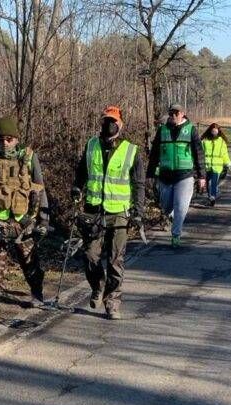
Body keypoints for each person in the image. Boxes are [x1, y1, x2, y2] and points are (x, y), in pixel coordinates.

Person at [71, 105, 145, 320]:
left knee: (115, 260)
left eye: (113, 121)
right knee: (89, 256)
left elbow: (139, 184)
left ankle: (112, 301)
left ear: (120, 124)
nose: (108, 124)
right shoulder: (91, 145)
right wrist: (77, 187)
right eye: (105, 120)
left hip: (119, 213)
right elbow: (81, 173)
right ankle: (98, 285)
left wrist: (138, 211)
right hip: (93, 211)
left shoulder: (131, 150)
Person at [0, 116, 49, 318]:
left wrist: (43, 217)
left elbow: (39, 188)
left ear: (17, 139)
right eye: (1, 140)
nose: (5, 143)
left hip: (23, 219)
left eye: (9, 139)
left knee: (29, 259)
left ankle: (37, 294)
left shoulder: (28, 157)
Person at [146, 103, 205, 247]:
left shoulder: (191, 130)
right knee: (166, 206)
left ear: (182, 114)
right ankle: (172, 215)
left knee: (181, 206)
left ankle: (176, 235)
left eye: (176, 113)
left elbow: (199, 154)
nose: (173, 115)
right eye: (171, 113)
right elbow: (154, 153)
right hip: (165, 175)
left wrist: (202, 176)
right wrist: (150, 173)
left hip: (185, 175)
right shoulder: (162, 130)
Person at [201, 123, 231, 207]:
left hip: (217, 167)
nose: (214, 132)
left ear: (218, 131)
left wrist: (228, 164)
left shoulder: (221, 141)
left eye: (216, 130)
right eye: (213, 130)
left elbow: (224, 154)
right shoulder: (205, 140)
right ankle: (211, 197)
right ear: (210, 130)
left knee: (213, 183)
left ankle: (212, 197)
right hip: (206, 166)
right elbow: (200, 152)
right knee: (208, 183)